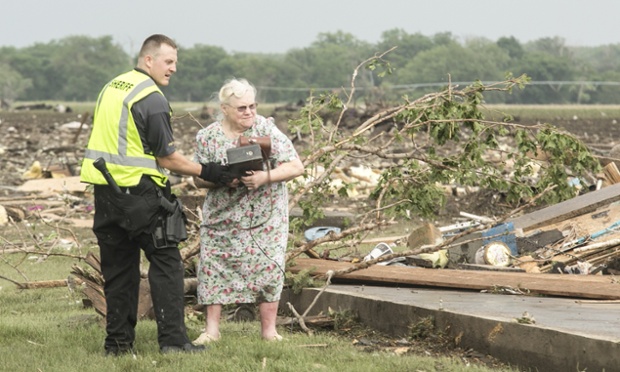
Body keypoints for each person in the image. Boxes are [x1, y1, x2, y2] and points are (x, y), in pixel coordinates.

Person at [80, 34, 232, 356]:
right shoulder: (152, 97)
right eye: (169, 61)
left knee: (119, 271)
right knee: (167, 263)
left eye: (175, 62)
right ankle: (174, 342)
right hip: (141, 195)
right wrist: (208, 171)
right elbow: (167, 159)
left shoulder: (113, 86)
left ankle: (118, 346)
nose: (174, 68)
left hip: (106, 195)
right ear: (149, 60)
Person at [192, 78, 304, 343]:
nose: (249, 112)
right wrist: (223, 178)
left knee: (268, 268)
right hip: (222, 217)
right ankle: (211, 331)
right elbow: (197, 177)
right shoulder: (207, 136)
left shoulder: (266, 128)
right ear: (225, 109)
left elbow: (296, 166)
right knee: (214, 266)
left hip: (266, 217)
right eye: (242, 108)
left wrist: (265, 177)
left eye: (252, 106)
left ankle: (269, 331)